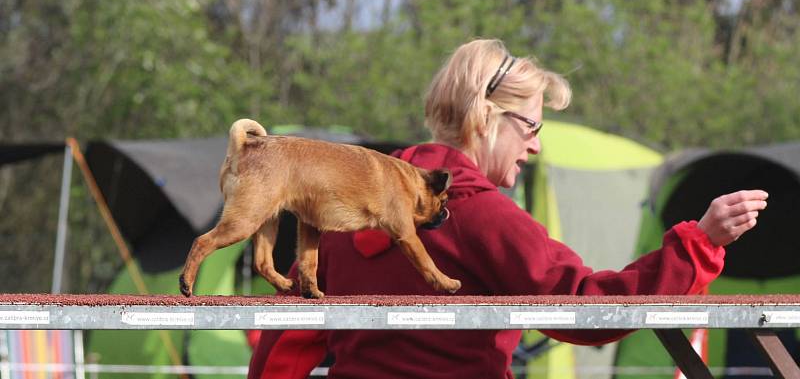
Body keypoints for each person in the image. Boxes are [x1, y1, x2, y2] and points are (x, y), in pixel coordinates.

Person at [247, 38, 768, 379]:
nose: (536, 145)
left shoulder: (350, 205)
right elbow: (589, 309)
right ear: (485, 117)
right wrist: (700, 243)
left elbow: (291, 332)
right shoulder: (481, 215)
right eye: (532, 126)